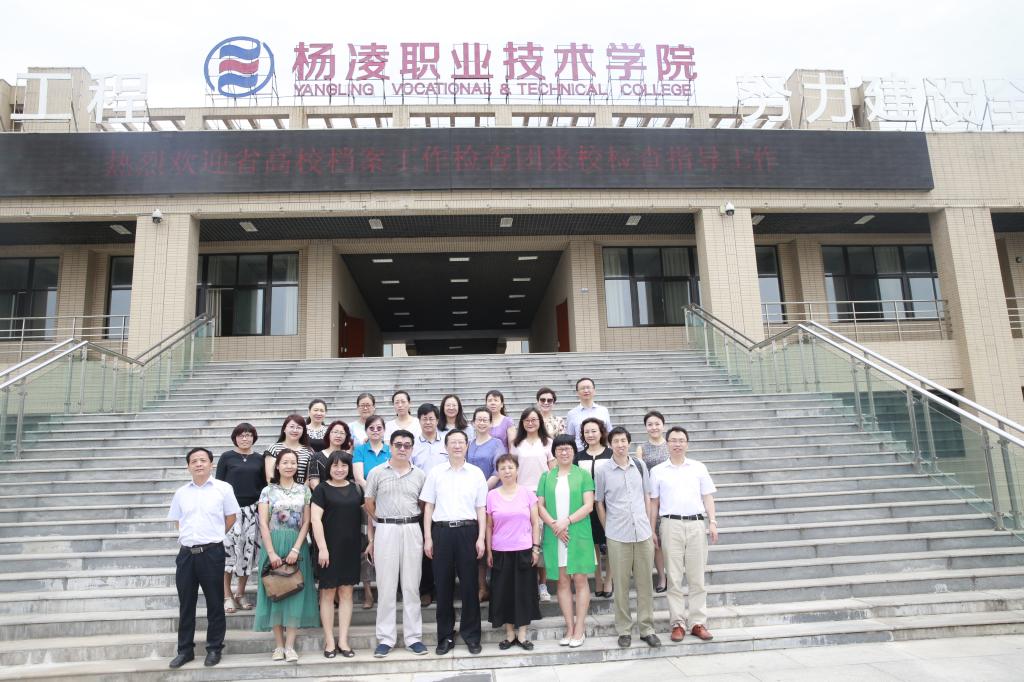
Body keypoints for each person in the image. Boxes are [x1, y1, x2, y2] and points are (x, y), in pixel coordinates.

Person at [167, 447, 240, 669]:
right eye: (194, 461)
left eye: (203, 460)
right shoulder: (181, 492)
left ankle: (214, 648)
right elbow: (178, 521)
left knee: (215, 602)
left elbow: (231, 517)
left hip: (212, 553)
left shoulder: (223, 489)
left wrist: (215, 536)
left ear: (211, 464)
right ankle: (185, 650)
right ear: (188, 466)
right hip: (186, 555)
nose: (199, 464)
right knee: (186, 604)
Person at [421, 429, 488, 655]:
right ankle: (445, 636)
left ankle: (471, 635)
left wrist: (481, 538)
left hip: (468, 532)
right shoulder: (436, 473)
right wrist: (428, 537)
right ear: (446, 446)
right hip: (441, 533)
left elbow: (481, 508)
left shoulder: (476, 473)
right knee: (443, 586)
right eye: (453, 442)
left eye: (461, 442)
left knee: (470, 586)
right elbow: (428, 506)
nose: (457, 446)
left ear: (467, 446)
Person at [650, 426, 719, 644]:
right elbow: (654, 503)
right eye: (673, 440)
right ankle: (677, 623)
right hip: (670, 525)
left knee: (697, 577)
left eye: (681, 440)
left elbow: (707, 496)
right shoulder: (658, 471)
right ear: (667, 444)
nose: (677, 444)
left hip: (696, 524)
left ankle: (698, 622)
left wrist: (713, 522)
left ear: (687, 444)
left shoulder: (698, 467)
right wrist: (652, 530)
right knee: (674, 577)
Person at [364, 429, 429, 658]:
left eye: (407, 445)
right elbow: (369, 503)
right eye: (398, 444)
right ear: (390, 446)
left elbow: (423, 504)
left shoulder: (420, 474)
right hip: (386, 529)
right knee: (386, 585)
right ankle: (386, 638)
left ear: (412, 448)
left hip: (412, 528)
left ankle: (413, 638)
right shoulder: (376, 472)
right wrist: (382, 522)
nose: (402, 449)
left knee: (411, 585)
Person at [595, 426, 660, 649]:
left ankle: (647, 629)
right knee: (621, 585)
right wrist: (608, 529)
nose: (620, 445)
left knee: (645, 584)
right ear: (610, 444)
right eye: (616, 441)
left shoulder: (640, 466)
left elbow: (647, 496)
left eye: (623, 441)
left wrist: (649, 526)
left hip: (642, 533)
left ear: (629, 443)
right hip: (617, 535)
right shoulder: (602, 470)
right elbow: (599, 503)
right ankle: (624, 630)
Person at [253, 448, 319, 662]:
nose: (289, 466)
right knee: (274, 591)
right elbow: (263, 523)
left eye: (293, 462)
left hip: (296, 545)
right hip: (272, 543)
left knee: (294, 591)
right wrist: (271, 552)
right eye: (285, 462)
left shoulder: (304, 491)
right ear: (278, 466)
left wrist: (296, 549)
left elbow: (306, 522)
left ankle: (290, 646)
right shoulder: (267, 491)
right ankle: (278, 646)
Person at [537, 434, 596, 648]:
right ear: (554, 452)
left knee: (580, 580)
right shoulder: (546, 477)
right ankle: (569, 627)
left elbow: (588, 505)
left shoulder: (583, 474)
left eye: (568, 448)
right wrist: (555, 525)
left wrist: (566, 522)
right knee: (562, 581)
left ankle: (580, 628)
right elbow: (540, 506)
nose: (564, 452)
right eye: (560, 448)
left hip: (577, 533)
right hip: (555, 535)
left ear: (574, 451)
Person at [486, 453, 542, 650]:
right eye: (502, 468)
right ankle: (510, 634)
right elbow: (489, 526)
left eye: (510, 467)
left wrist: (536, 548)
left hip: (524, 550)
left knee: (524, 593)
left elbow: (535, 523)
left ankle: (523, 635)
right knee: (504, 593)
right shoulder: (491, 496)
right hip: (500, 551)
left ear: (517, 470)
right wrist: (489, 551)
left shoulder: (527, 494)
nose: (507, 471)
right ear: (498, 472)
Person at [311, 451, 364, 658]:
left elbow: (366, 515)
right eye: (335, 466)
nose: (340, 469)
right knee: (327, 593)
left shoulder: (356, 489)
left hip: (351, 548)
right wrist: (322, 548)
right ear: (329, 468)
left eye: (344, 465)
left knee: (346, 593)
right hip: (328, 549)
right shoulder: (321, 489)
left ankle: (343, 640)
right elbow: (315, 520)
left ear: (349, 468)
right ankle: (329, 641)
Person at [216, 423, 263, 615]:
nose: (245, 438)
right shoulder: (227, 457)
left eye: (249, 435)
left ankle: (240, 593)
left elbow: (263, 486)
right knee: (228, 553)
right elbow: (218, 485)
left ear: (254, 438)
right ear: (235, 437)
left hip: (252, 511)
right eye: (241, 435)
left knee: (247, 552)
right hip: (230, 512)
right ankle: (227, 595)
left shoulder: (260, 459)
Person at [510, 406, 555, 603]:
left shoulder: (548, 442)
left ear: (540, 422)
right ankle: (528, 583)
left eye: (534, 420)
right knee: (525, 540)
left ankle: (542, 584)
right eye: (527, 420)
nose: (530, 423)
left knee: (541, 541)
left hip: (542, 496)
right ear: (522, 423)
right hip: (521, 495)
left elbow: (553, 472)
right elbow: (511, 470)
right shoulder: (516, 444)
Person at [352, 414, 390, 609]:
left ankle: (386, 590)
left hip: (389, 504)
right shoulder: (360, 450)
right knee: (367, 545)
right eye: (371, 428)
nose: (375, 431)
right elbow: (359, 477)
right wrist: (374, 494)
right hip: (367, 503)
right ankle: (367, 591)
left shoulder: (390, 449)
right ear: (366, 430)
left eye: (379, 428)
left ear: (384, 430)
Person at [575, 417, 614, 598]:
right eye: (586, 432)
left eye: (594, 431)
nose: (590, 434)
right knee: (594, 543)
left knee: (611, 541)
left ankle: (609, 579)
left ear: (601, 432)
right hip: (587, 506)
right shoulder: (579, 457)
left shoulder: (611, 454)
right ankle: (598, 578)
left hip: (609, 505)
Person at [636, 410, 669, 593]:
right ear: (646, 427)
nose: (654, 427)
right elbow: (640, 475)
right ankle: (662, 577)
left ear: (663, 425)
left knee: (671, 539)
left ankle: (673, 575)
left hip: (670, 497)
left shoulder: (671, 444)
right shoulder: (641, 448)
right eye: (650, 424)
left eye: (657, 423)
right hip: (651, 498)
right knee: (656, 541)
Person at [263, 415, 315, 486]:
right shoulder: (273, 449)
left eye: (299, 427)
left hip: (301, 490)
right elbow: (270, 477)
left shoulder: (309, 451)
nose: (295, 430)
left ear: (303, 431)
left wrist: (301, 490)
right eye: (291, 427)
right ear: (284, 429)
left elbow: (309, 478)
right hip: (277, 490)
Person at [565, 377, 612, 451]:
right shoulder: (571, 414)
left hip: (603, 452)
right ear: (577, 393)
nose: (586, 390)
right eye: (582, 388)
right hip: (580, 453)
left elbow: (609, 433)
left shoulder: (603, 410)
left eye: (588, 387)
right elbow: (570, 437)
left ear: (594, 391)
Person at [307, 420, 353, 489]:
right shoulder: (316, 457)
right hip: (322, 494)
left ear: (346, 437)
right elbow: (314, 484)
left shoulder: (350, 458)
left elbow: (352, 481)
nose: (338, 436)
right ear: (328, 434)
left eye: (342, 433)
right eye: (335, 432)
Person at [468, 407, 504, 487]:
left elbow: (498, 471)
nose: (482, 423)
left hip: (491, 490)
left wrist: (483, 489)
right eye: (479, 420)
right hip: (471, 489)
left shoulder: (497, 444)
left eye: (485, 420)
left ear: (491, 423)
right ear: (473, 423)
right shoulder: (469, 444)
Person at [412, 403, 448, 473]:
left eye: (431, 419)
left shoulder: (446, 442)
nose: (428, 422)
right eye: (424, 419)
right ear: (419, 421)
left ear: (437, 421)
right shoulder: (413, 444)